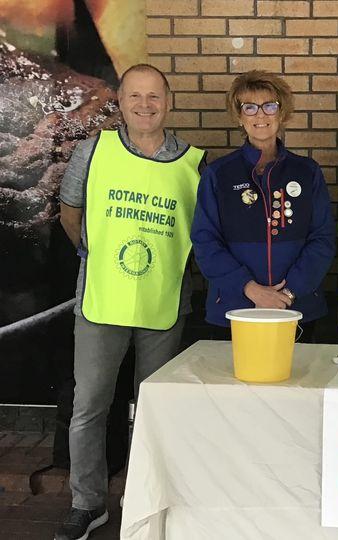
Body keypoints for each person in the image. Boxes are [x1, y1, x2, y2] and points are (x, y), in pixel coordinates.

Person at [55, 64, 205, 540]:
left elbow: (202, 234)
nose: (145, 105)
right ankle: (88, 504)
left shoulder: (194, 162)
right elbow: (70, 213)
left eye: (154, 96)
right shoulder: (93, 151)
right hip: (100, 300)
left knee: (155, 407)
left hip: (163, 304)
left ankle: (145, 499)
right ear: (120, 101)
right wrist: (96, 257)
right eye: (135, 96)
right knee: (90, 407)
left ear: (169, 101)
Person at [191, 70, 335, 341]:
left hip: (297, 307)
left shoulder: (306, 171)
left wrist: (289, 293)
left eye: (270, 106)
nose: (260, 115)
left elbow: (323, 238)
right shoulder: (219, 174)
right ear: (239, 116)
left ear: (281, 113)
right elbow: (205, 241)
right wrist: (251, 290)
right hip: (234, 309)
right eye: (250, 107)